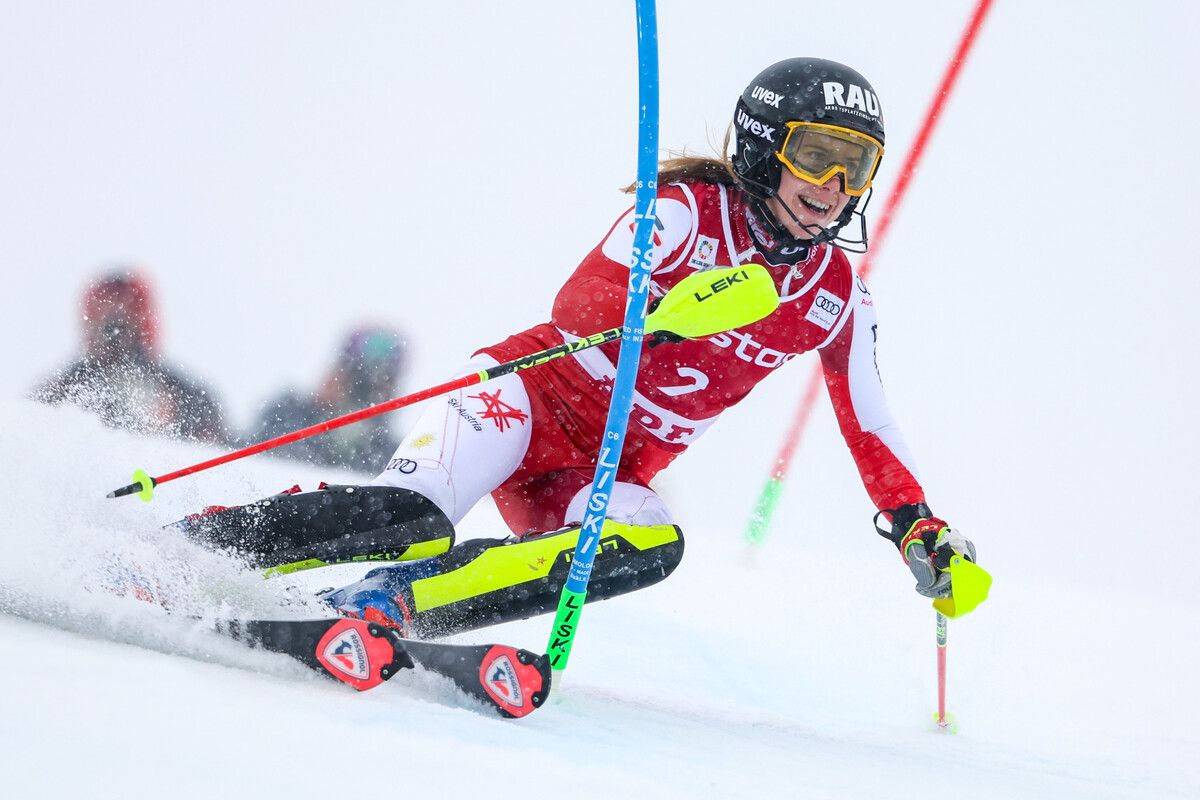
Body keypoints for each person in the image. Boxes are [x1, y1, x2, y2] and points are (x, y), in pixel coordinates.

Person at [179, 58, 980, 638]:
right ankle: (195, 544)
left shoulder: (837, 294)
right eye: (817, 157)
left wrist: (919, 528)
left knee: (650, 542)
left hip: (600, 469)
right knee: (410, 516)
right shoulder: (685, 213)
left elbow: (869, 425)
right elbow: (580, 304)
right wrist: (669, 312)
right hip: (524, 403)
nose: (835, 188)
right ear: (767, 145)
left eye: (858, 166)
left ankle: (394, 602)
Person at [33, 269, 229, 443]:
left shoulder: (190, 399)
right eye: (105, 320)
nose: (114, 332)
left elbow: (218, 453)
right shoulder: (58, 394)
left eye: (126, 321)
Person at [250, 325, 407, 473]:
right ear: (334, 372)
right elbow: (246, 459)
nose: (360, 392)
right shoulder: (284, 417)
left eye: (380, 382)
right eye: (354, 376)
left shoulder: (393, 462)